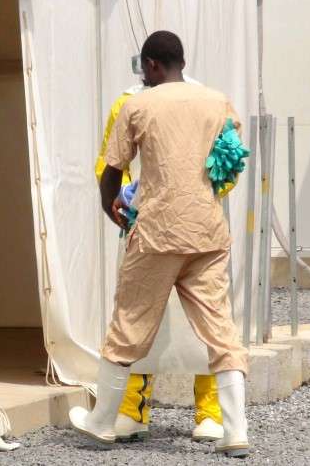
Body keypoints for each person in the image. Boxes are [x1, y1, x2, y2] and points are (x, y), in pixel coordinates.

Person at [70, 30, 249, 457]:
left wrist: (110, 205)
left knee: (129, 322)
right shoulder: (217, 101)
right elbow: (229, 163)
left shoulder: (138, 104)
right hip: (206, 232)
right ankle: (234, 429)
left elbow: (112, 169)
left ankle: (103, 422)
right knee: (220, 328)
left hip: (155, 233)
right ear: (180, 62)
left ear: (151, 65)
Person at [94, 81, 226, 443]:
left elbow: (226, 165)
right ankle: (133, 409)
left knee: (199, 324)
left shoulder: (205, 100)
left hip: (187, 228)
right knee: (147, 321)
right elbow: (111, 161)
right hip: (160, 227)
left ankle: (210, 411)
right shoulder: (132, 100)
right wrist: (130, 198)